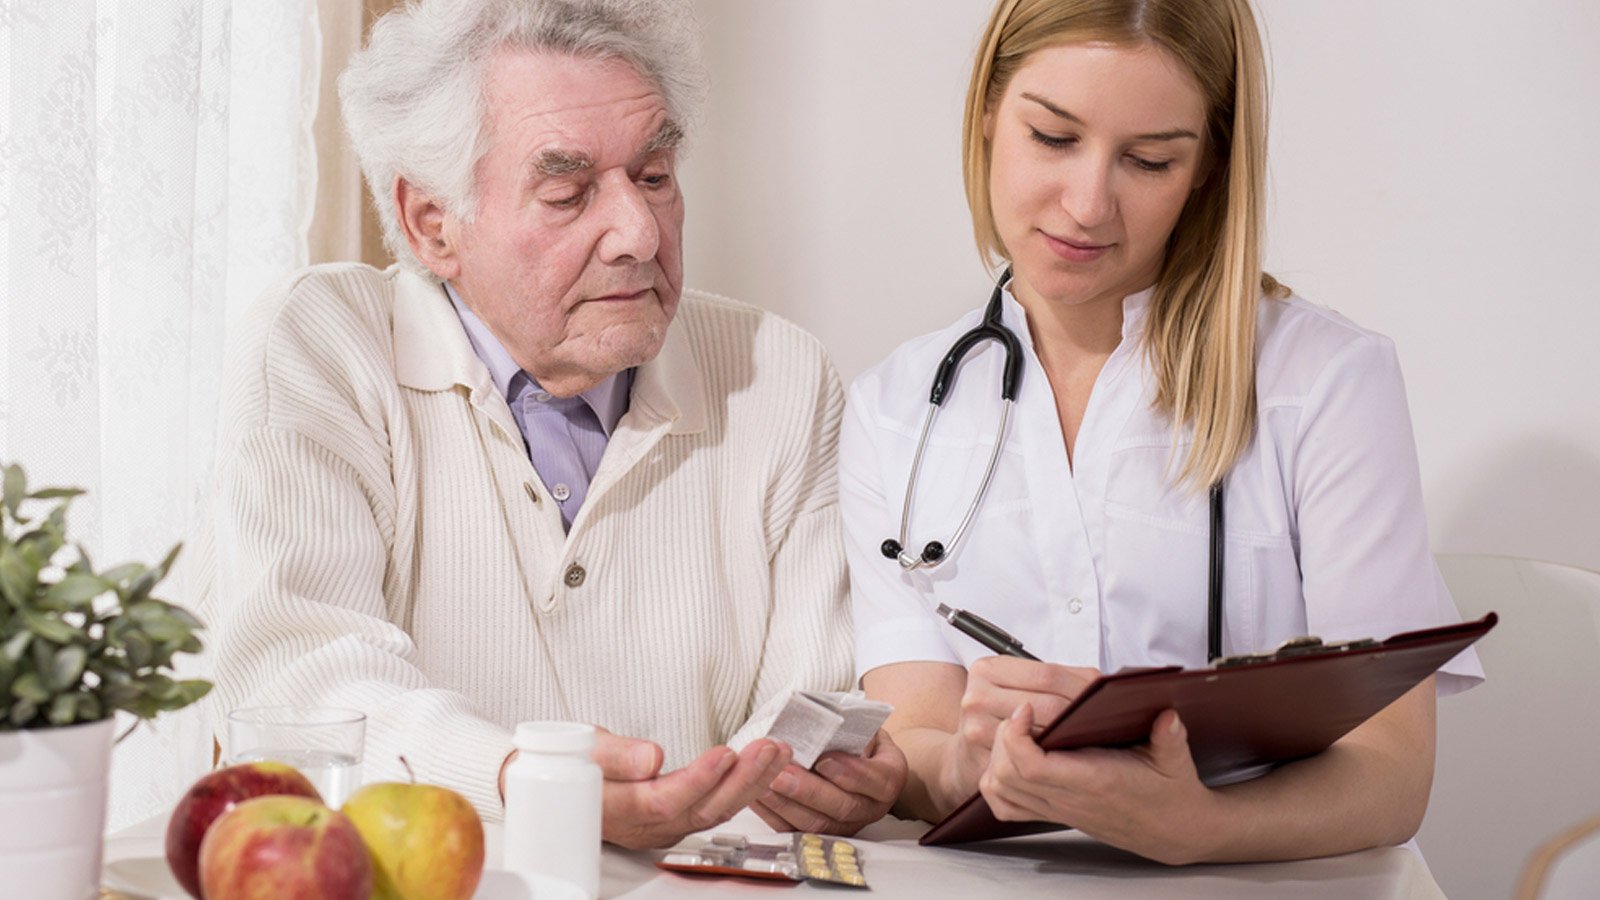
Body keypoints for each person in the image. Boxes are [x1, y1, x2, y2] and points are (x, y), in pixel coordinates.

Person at [187, 0, 904, 848]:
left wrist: (836, 781)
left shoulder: (779, 373)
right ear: (433, 224)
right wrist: (530, 786)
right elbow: (301, 685)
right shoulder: (323, 343)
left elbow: (810, 707)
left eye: (655, 176)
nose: (638, 233)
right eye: (567, 194)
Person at [841, 0, 1482, 865]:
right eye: (1054, 138)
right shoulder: (897, 405)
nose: (1087, 203)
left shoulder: (1323, 383)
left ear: (1208, 166)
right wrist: (964, 764)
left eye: (1148, 160)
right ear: (989, 113)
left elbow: (1392, 770)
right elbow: (917, 733)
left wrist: (1202, 829)